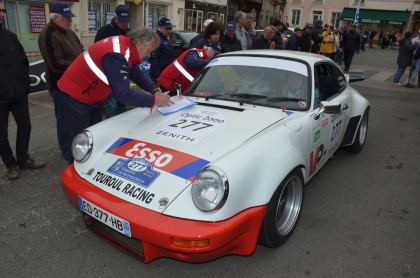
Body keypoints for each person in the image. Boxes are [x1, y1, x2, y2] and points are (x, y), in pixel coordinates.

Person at [57, 28, 173, 163]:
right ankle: (76, 171)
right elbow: (124, 94)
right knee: (80, 142)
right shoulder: (116, 54)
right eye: (148, 50)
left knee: (93, 136)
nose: (148, 55)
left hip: (91, 95)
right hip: (76, 95)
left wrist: (154, 90)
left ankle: (89, 165)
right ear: (139, 44)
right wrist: (155, 101)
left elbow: (135, 72)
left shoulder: (127, 48)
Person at [1, 3, 45, 180]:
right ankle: (11, 165)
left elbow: (24, 62)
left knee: (25, 126)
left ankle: (22, 159)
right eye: (0, 10)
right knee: (1, 135)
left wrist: (24, 86)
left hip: (18, 95)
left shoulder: (10, 37)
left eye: (4, 10)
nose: (3, 13)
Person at [38, 1, 83, 160]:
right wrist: (80, 65)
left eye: (70, 17)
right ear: (56, 18)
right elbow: (56, 64)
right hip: (59, 86)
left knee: (75, 118)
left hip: (75, 84)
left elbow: (81, 51)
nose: (70, 21)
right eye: (66, 18)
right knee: (64, 119)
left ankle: (77, 146)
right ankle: (66, 149)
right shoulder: (48, 34)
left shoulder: (69, 32)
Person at [94, 5, 131, 119]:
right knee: (112, 104)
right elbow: (96, 53)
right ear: (115, 19)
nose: (125, 24)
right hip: (109, 75)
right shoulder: (104, 31)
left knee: (122, 102)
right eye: (122, 21)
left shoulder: (129, 32)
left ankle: (120, 127)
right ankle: (110, 130)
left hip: (124, 74)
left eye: (127, 21)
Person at [149, 17, 174, 83]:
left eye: (170, 29)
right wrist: (158, 75)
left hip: (167, 73)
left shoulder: (166, 38)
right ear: (160, 27)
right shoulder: (156, 38)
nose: (169, 31)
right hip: (158, 75)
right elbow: (153, 58)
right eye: (167, 29)